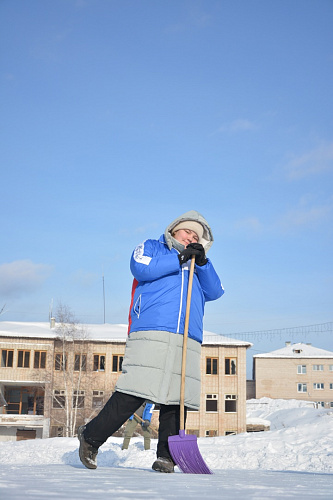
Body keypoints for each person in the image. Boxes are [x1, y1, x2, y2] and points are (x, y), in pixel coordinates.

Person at [78, 209, 224, 473]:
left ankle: (166, 456)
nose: (190, 236)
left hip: (188, 334)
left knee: (176, 399)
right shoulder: (153, 247)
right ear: (174, 230)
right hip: (152, 328)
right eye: (186, 231)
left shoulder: (199, 263)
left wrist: (202, 264)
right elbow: (141, 267)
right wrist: (180, 258)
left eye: (195, 235)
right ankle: (91, 437)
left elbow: (215, 291)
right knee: (136, 390)